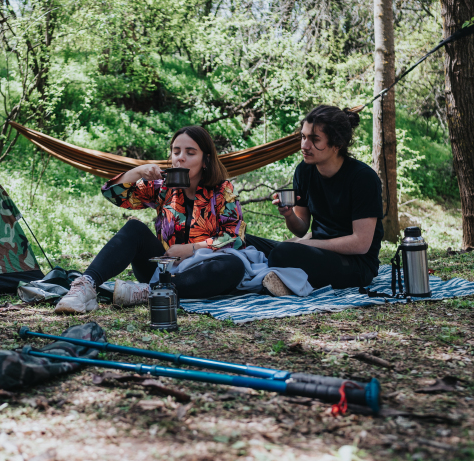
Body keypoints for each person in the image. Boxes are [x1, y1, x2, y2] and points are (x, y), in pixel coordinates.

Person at [55, 125, 246, 314]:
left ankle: (150, 292)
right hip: (161, 269)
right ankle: (85, 286)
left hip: (202, 272)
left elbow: (235, 238)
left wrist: (190, 249)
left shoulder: (222, 190)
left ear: (205, 160)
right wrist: (139, 171)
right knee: (134, 228)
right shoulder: (163, 187)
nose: (180, 157)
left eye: (190, 152)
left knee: (234, 266)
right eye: (176, 151)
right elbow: (112, 193)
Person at [245, 105, 383, 295]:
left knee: (281, 253)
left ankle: (279, 278)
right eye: (303, 137)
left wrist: (308, 244)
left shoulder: (363, 178)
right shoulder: (304, 171)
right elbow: (301, 228)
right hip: (314, 251)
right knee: (243, 239)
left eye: (314, 139)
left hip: (355, 264)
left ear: (337, 144)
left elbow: (361, 243)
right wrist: (288, 215)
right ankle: (280, 278)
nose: (304, 146)